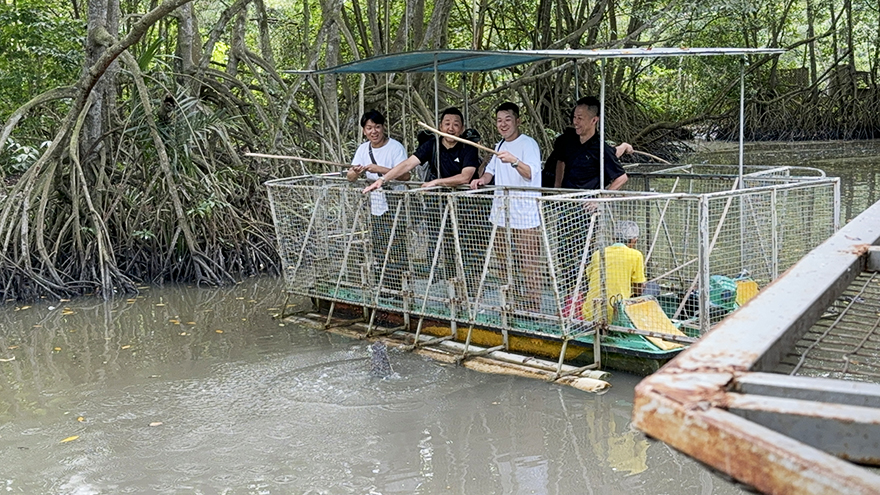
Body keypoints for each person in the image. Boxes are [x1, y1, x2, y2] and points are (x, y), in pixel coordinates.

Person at [470, 102, 543, 310]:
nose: (503, 124)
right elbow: (490, 171)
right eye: (499, 120)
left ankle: (533, 305)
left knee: (529, 262)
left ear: (518, 121)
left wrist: (514, 161)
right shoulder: (499, 145)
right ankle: (510, 300)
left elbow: (530, 173)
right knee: (503, 260)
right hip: (501, 214)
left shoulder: (528, 144)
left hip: (525, 215)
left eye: (507, 120)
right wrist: (482, 180)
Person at [347, 110, 409, 290]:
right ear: (364, 131)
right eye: (369, 128)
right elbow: (350, 177)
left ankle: (399, 286)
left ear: (383, 127)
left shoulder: (395, 147)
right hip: (376, 205)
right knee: (380, 244)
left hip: (395, 203)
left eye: (377, 127)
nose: (374, 131)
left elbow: (405, 175)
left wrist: (379, 169)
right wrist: (355, 172)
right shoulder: (362, 149)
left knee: (396, 245)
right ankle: (384, 283)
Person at [362, 107, 479, 193]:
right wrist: (382, 179)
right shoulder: (432, 145)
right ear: (440, 127)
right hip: (438, 201)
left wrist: (437, 182)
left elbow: (465, 177)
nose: (451, 129)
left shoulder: (469, 147)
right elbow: (408, 164)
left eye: (456, 125)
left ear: (462, 128)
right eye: (447, 124)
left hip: (465, 202)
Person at [553, 96, 634, 190]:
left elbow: (621, 177)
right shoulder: (569, 142)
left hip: (587, 200)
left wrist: (601, 199)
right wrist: (557, 188)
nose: (575, 122)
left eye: (580, 118)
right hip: (566, 199)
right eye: (574, 117)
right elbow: (560, 161)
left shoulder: (601, 148)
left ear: (594, 120)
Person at [581, 221, 647, 321]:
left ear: (613, 238)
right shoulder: (636, 255)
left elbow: (589, 277)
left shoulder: (598, 253)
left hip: (591, 312)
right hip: (616, 314)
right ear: (634, 240)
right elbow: (638, 287)